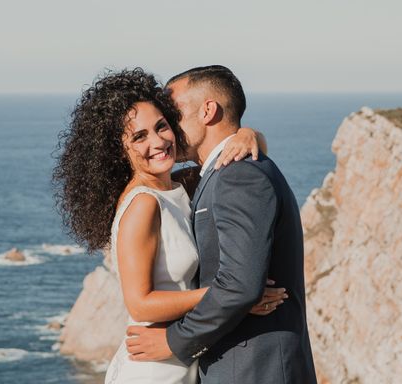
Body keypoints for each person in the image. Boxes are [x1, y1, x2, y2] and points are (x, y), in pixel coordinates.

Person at [52, 68, 287, 384]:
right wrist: (231, 297)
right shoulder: (143, 205)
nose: (158, 141)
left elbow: (227, 162)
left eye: (161, 126)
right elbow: (141, 304)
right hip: (153, 368)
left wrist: (247, 135)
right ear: (119, 151)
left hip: (181, 361)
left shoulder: (176, 185)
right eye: (139, 136)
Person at [125, 66, 318, 384]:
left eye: (173, 114)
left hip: (255, 368)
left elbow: (240, 287)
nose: (168, 130)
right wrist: (249, 134)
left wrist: (172, 341)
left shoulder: (237, 174)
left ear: (208, 110)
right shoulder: (208, 175)